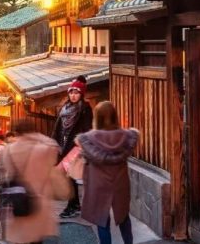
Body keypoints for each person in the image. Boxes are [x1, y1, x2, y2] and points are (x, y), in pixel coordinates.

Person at [77, 101, 139, 244]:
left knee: (102, 220)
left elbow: (88, 157)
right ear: (114, 115)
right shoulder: (127, 136)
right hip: (120, 182)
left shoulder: (88, 139)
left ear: (96, 117)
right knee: (123, 216)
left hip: (98, 183)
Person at [0, 118, 60, 244]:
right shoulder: (43, 148)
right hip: (38, 201)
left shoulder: (8, 150)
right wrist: (38, 137)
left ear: (16, 132)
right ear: (34, 131)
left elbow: (6, 174)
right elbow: (55, 147)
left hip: (18, 201)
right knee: (36, 239)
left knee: (20, 238)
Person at [50, 75, 93, 218]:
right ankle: (74, 205)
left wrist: (82, 146)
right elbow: (57, 128)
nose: (73, 96)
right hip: (63, 146)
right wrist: (54, 143)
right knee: (68, 177)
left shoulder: (85, 108)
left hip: (75, 148)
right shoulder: (65, 108)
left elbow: (87, 129)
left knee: (71, 177)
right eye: (71, 92)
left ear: (81, 94)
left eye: (76, 93)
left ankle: (72, 205)